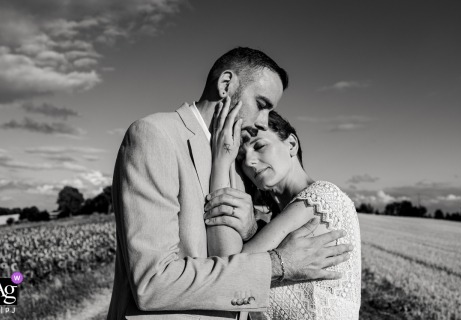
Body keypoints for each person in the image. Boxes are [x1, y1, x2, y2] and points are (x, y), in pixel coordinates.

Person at [107, 47, 353, 320]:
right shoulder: (156, 135)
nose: (263, 122)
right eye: (261, 105)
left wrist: (249, 229)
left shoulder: (234, 164)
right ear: (225, 85)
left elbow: (229, 256)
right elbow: (153, 283)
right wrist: (278, 264)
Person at [205, 107, 361, 319]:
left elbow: (230, 273)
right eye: (241, 158)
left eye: (259, 146)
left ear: (291, 144)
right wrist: (252, 230)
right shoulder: (279, 218)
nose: (249, 161)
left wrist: (221, 161)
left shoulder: (321, 197)